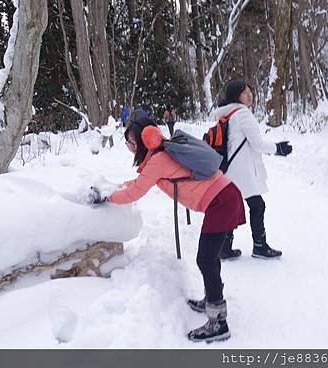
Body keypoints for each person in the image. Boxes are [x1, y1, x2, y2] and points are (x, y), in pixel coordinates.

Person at [98, 118, 246, 343]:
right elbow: (138, 183)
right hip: (225, 195)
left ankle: (218, 321)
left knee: (205, 259)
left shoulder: (158, 161)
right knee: (210, 257)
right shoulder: (160, 155)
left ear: (142, 141)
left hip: (222, 201)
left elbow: (136, 191)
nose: (129, 147)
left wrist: (106, 196)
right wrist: (114, 187)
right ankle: (211, 299)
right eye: (127, 143)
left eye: (131, 142)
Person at [213, 79, 293, 260]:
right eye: (244, 92)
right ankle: (259, 246)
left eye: (250, 91)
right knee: (257, 206)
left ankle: (225, 247)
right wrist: (277, 149)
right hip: (241, 170)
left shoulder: (229, 113)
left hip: (230, 169)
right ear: (236, 96)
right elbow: (257, 144)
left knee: (235, 206)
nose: (249, 95)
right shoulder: (242, 113)